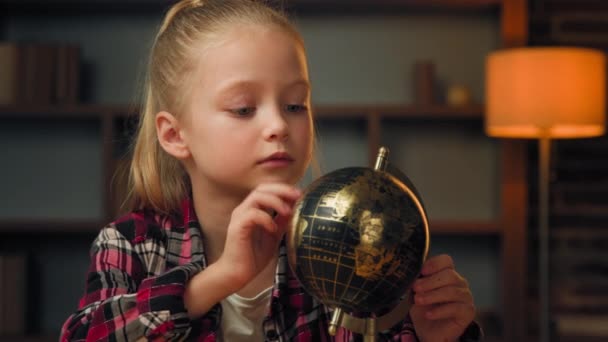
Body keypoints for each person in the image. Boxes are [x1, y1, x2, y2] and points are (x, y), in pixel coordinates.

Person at [61, 0, 481, 341]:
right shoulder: (131, 245)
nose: (279, 125)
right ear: (174, 135)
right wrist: (220, 278)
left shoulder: (344, 245)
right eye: (244, 109)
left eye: (295, 105)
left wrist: (436, 336)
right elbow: (85, 336)